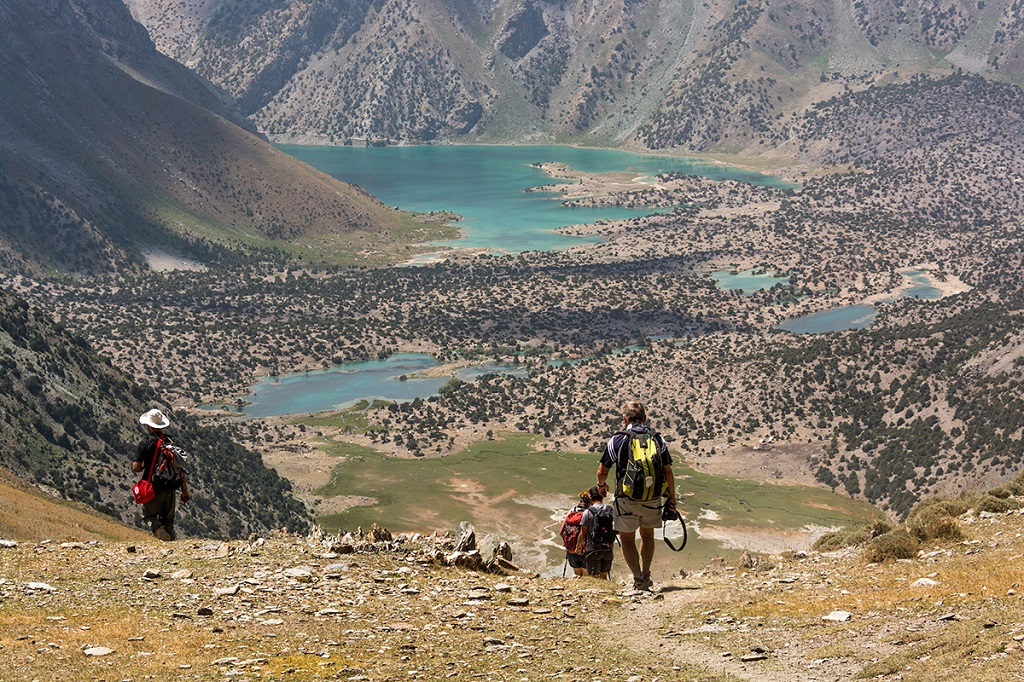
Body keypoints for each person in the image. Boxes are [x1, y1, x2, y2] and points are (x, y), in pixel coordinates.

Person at [595, 400, 676, 591]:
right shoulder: (657, 439)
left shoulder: (617, 439)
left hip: (626, 499)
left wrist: (601, 486)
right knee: (647, 536)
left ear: (625, 419)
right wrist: (671, 498)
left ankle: (638, 578)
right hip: (653, 498)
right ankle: (647, 573)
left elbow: (602, 470)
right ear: (645, 418)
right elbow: (668, 472)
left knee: (627, 539)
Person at [132, 408, 189, 540]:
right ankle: (171, 545)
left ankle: (159, 532)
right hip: (171, 486)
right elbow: (180, 468)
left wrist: (144, 464)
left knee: (149, 516)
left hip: (153, 486)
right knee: (168, 520)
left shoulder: (145, 442)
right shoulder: (171, 442)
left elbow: (136, 468)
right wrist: (184, 490)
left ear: (148, 425)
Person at [574, 486, 615, 579]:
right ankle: (605, 591)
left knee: (593, 576)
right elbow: (616, 529)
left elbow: (582, 534)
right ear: (602, 496)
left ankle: (595, 592)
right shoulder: (610, 510)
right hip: (608, 548)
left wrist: (578, 547)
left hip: (593, 549)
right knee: (604, 575)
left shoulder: (588, 512)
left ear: (590, 497)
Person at [558, 490, 591, 577]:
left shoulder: (572, 511)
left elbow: (561, 532)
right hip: (585, 550)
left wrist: (569, 541)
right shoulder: (590, 513)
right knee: (586, 576)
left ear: (580, 500)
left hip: (571, 550)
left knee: (577, 575)